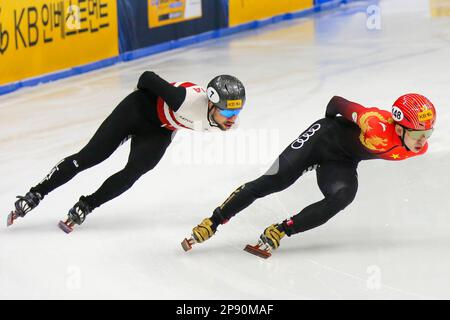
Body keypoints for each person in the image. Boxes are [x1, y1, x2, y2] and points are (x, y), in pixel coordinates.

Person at [183, 93, 436, 258]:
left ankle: (280, 230)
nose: (422, 142)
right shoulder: (374, 123)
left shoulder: (417, 148)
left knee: (343, 196)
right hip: (319, 139)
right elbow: (336, 103)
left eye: (428, 134)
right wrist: (326, 127)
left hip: (342, 160)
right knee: (275, 181)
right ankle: (213, 222)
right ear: (399, 126)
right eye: (418, 135)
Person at [8, 72, 246, 233]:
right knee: (89, 157)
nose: (231, 119)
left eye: (236, 112)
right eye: (226, 114)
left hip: (160, 130)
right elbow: (147, 77)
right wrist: (140, 97)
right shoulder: (184, 101)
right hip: (136, 110)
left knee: (134, 173)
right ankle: (35, 194)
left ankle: (87, 205)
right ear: (212, 105)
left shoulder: (229, 120)